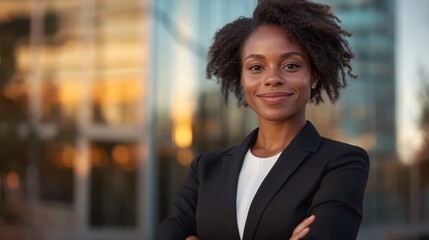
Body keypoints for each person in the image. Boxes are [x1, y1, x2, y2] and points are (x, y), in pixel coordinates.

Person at [156, 0, 369, 239]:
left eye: (290, 65)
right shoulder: (205, 168)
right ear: (242, 78)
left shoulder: (341, 163)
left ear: (314, 75)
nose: (272, 78)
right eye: (256, 67)